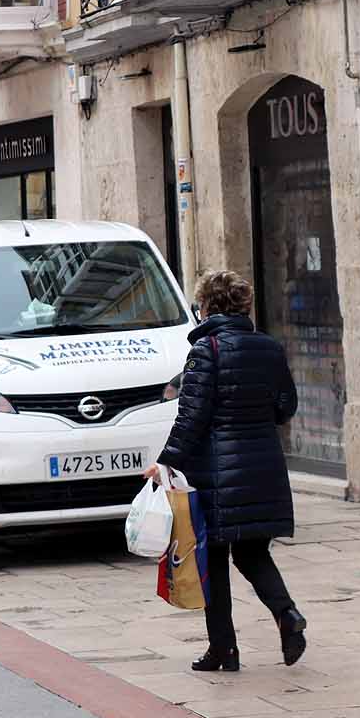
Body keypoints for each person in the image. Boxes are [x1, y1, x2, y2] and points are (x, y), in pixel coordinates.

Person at [147, 270, 307, 673]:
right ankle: (287, 615)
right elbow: (285, 406)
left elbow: (192, 417)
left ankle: (224, 650)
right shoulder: (268, 347)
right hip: (263, 466)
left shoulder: (207, 350)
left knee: (213, 561)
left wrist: (166, 462)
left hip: (216, 473)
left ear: (205, 308)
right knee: (253, 553)